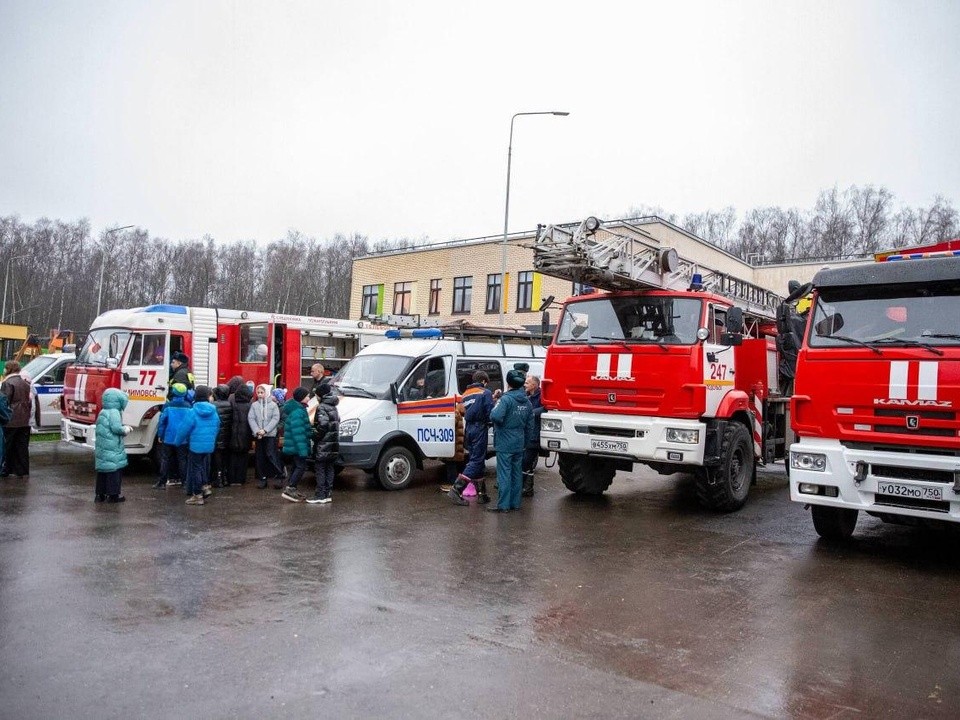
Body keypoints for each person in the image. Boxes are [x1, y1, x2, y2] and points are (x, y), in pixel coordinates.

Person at [488, 369, 535, 513]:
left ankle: (503, 505)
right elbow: (530, 426)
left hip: (505, 441)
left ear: (508, 383)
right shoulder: (527, 402)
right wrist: (525, 442)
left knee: (504, 474)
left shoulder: (506, 399)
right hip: (519, 442)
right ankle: (515, 503)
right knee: (516, 473)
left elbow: (495, 416)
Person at [448, 370, 493, 506]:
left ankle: (482, 494)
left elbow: (462, 411)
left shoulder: (465, 394)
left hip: (469, 429)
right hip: (480, 428)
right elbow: (490, 413)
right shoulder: (485, 392)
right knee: (477, 461)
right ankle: (456, 489)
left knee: (476, 460)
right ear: (484, 381)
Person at [174, 385, 220, 505]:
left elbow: (184, 429)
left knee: (196, 469)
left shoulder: (193, 411)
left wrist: (177, 442)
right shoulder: (213, 411)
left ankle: (197, 495)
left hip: (195, 446)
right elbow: (217, 426)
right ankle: (205, 487)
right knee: (201, 467)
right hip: (209, 445)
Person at [94, 388, 132, 503]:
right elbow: (116, 428)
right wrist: (126, 429)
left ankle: (99, 495)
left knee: (102, 471)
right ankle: (113, 495)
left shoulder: (103, 411)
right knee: (114, 471)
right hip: (112, 447)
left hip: (102, 446)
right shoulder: (114, 412)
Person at [153, 382, 191, 488]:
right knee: (182, 460)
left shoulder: (168, 406)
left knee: (165, 459)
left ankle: (162, 482)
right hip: (183, 439)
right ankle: (185, 483)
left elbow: (162, 422)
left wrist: (161, 435)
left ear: (173, 392)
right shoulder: (188, 406)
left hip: (168, 437)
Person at [307, 383, 339, 505]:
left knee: (320, 468)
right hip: (333, 444)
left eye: (316, 395)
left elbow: (323, 425)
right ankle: (327, 493)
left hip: (323, 444)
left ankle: (320, 495)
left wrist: (315, 436)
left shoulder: (322, 407)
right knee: (329, 468)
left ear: (321, 395)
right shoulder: (333, 406)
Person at [249, 383, 284, 489]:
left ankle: (278, 475)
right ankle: (262, 478)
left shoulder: (273, 405)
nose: (260, 394)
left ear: (267, 393)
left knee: (271, 454)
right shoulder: (254, 405)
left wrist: (266, 430)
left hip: (270, 435)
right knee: (260, 457)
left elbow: (275, 419)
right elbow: (251, 418)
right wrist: (256, 430)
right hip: (259, 435)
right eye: (258, 392)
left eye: (262, 392)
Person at [1, 360, 33, 478]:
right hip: (24, 420)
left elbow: (4, 401)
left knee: (7, 446)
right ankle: (22, 470)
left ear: (9, 369)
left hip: (11, 420)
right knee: (21, 447)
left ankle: (5, 469)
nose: (4, 370)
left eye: (5, 368)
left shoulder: (8, 383)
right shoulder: (25, 383)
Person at [280, 387, 311, 502]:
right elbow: (298, 433)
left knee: (295, 466)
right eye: (307, 396)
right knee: (300, 467)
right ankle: (291, 488)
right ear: (302, 398)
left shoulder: (298, 409)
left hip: (294, 445)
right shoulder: (298, 412)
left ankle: (292, 489)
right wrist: (303, 450)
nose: (309, 397)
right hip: (298, 446)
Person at [226, 383, 254, 486]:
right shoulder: (250, 404)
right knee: (243, 458)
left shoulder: (232, 402)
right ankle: (241, 479)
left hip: (233, 435)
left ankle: (232, 479)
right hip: (246, 436)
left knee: (232, 458)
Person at [521, 374, 544, 497]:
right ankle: (528, 488)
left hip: (534, 434)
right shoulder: (527, 396)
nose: (525, 385)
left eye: (527, 383)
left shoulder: (541, 396)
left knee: (526, 461)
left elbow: (545, 408)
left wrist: (531, 413)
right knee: (527, 462)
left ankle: (522, 486)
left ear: (534, 385)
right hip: (527, 433)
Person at [210, 384, 233, 488]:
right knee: (225, 458)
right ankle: (225, 478)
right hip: (227, 435)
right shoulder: (230, 404)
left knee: (217, 459)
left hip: (217, 436)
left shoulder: (213, 405)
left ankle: (218, 479)